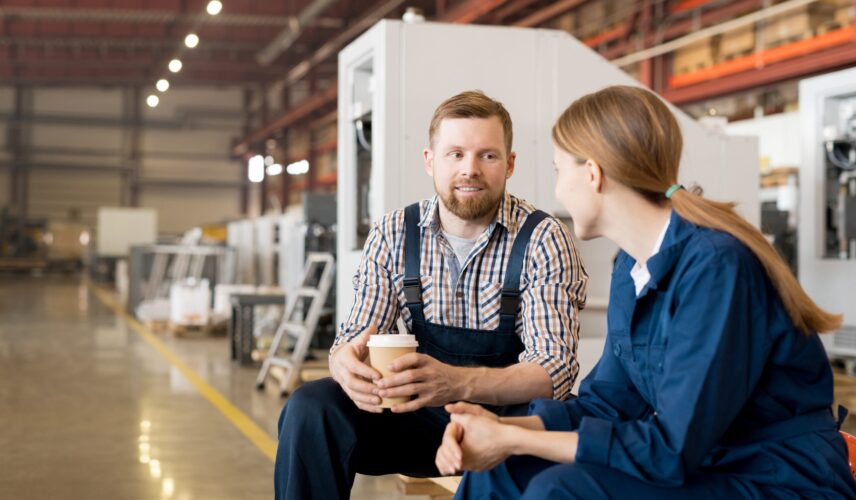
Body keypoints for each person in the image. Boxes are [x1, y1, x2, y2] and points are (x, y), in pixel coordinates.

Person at [435, 85, 856, 499]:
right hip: (711, 465)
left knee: (561, 489)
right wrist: (501, 431)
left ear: (593, 174)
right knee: (502, 470)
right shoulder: (630, 269)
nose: (558, 190)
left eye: (559, 170)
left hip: (777, 478)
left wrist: (514, 439)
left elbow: (671, 449)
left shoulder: (716, 267)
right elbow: (606, 407)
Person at [274, 90, 588, 499]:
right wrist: (344, 364)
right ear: (430, 161)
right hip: (413, 421)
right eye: (455, 154)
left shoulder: (543, 238)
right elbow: (355, 336)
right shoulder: (394, 232)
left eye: (487, 156)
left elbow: (555, 372)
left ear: (509, 164)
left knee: (550, 421)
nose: (469, 170)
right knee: (310, 408)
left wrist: (456, 383)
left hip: (504, 426)